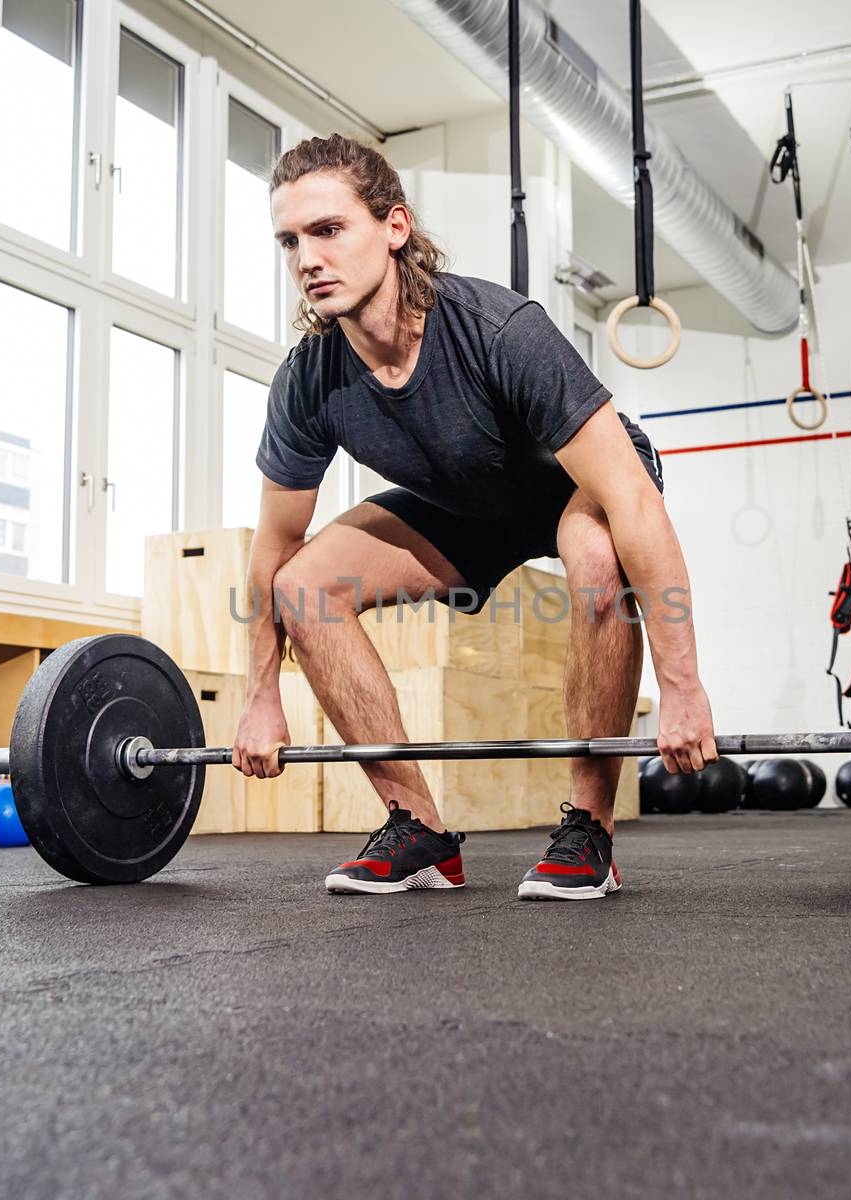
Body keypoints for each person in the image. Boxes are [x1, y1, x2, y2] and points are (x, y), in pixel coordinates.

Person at [231, 133, 716, 900]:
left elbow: (632, 502)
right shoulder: (310, 380)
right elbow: (272, 551)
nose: (306, 259)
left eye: (328, 230)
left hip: (572, 488)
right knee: (303, 585)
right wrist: (259, 697)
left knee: (595, 556)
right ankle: (416, 828)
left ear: (395, 227)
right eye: (290, 240)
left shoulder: (499, 330)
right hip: (464, 504)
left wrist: (683, 688)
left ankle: (591, 831)